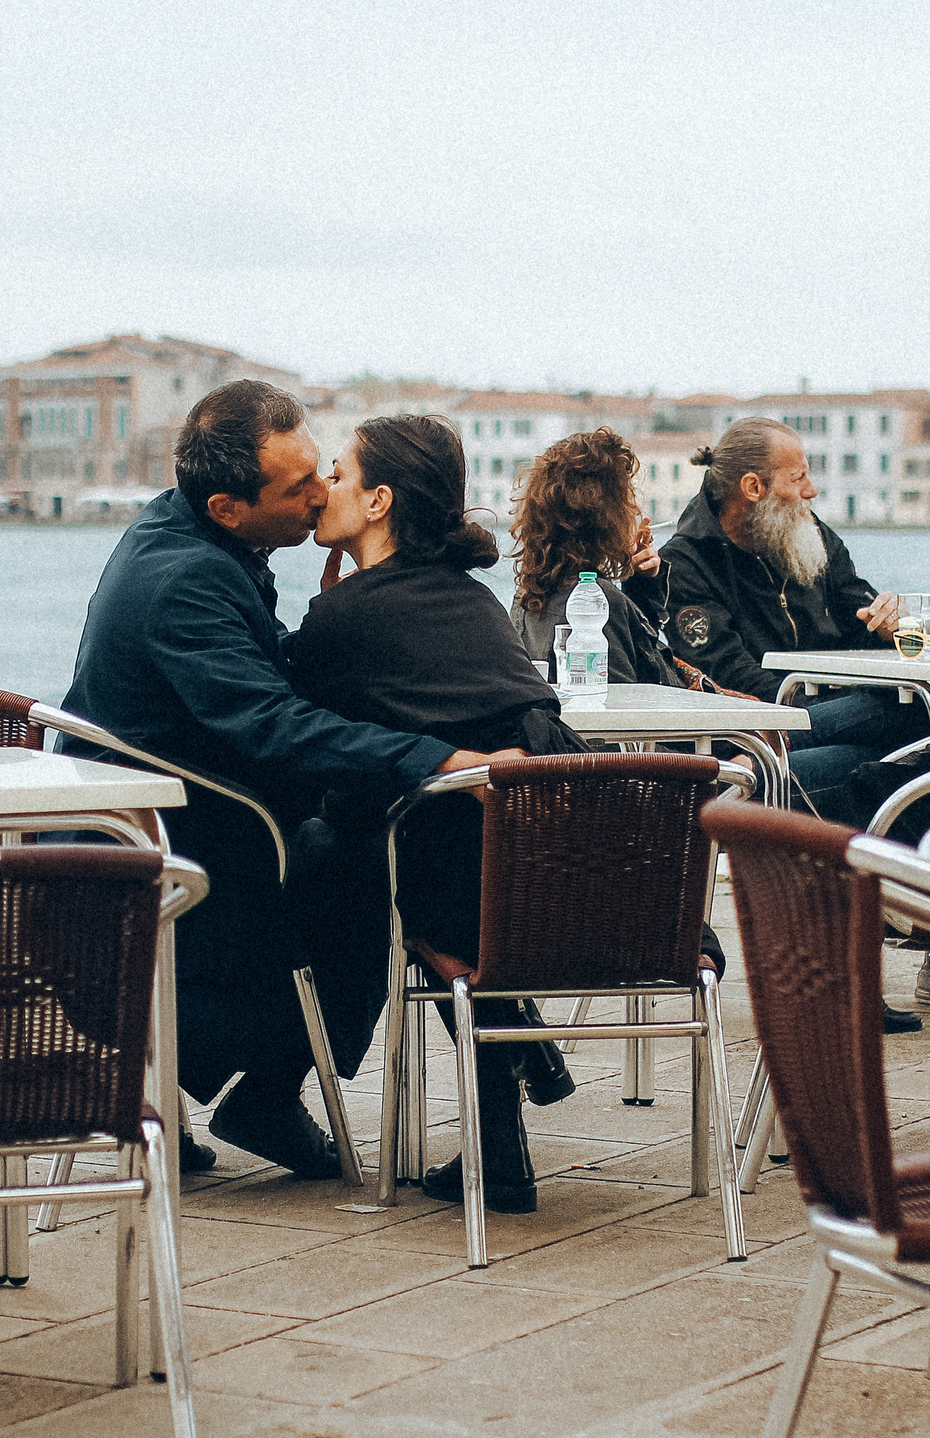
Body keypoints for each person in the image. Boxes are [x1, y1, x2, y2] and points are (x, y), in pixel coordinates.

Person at [61, 380, 508, 1181]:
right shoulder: (187, 579)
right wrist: (441, 760)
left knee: (368, 840)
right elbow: (270, 726)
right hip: (166, 844)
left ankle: (254, 1089)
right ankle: (271, 1089)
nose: (319, 494)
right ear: (231, 506)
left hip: (165, 809)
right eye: (299, 485)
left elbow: (258, 686)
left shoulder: (188, 532)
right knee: (370, 864)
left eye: (320, 470)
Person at [287, 414, 584, 1213]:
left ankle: (277, 1077)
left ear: (379, 500)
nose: (324, 488)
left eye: (340, 475)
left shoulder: (345, 619)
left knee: (359, 860)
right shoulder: (474, 600)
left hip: (474, 888)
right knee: (429, 855)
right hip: (576, 878)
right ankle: (512, 1111)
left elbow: (300, 743)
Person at [660, 417, 925, 1030]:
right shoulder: (687, 564)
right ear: (752, 487)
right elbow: (731, 681)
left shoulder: (815, 539)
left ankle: (862, 961)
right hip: (749, 748)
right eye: (798, 476)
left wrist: (887, 625)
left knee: (893, 739)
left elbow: (863, 621)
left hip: (814, 751)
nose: (811, 491)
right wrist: (825, 704)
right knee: (902, 727)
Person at [508, 427, 682, 687]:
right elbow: (633, 699)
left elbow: (636, 660)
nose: (633, 510)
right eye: (626, 499)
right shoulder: (598, 600)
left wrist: (640, 584)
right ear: (607, 516)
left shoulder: (528, 596)